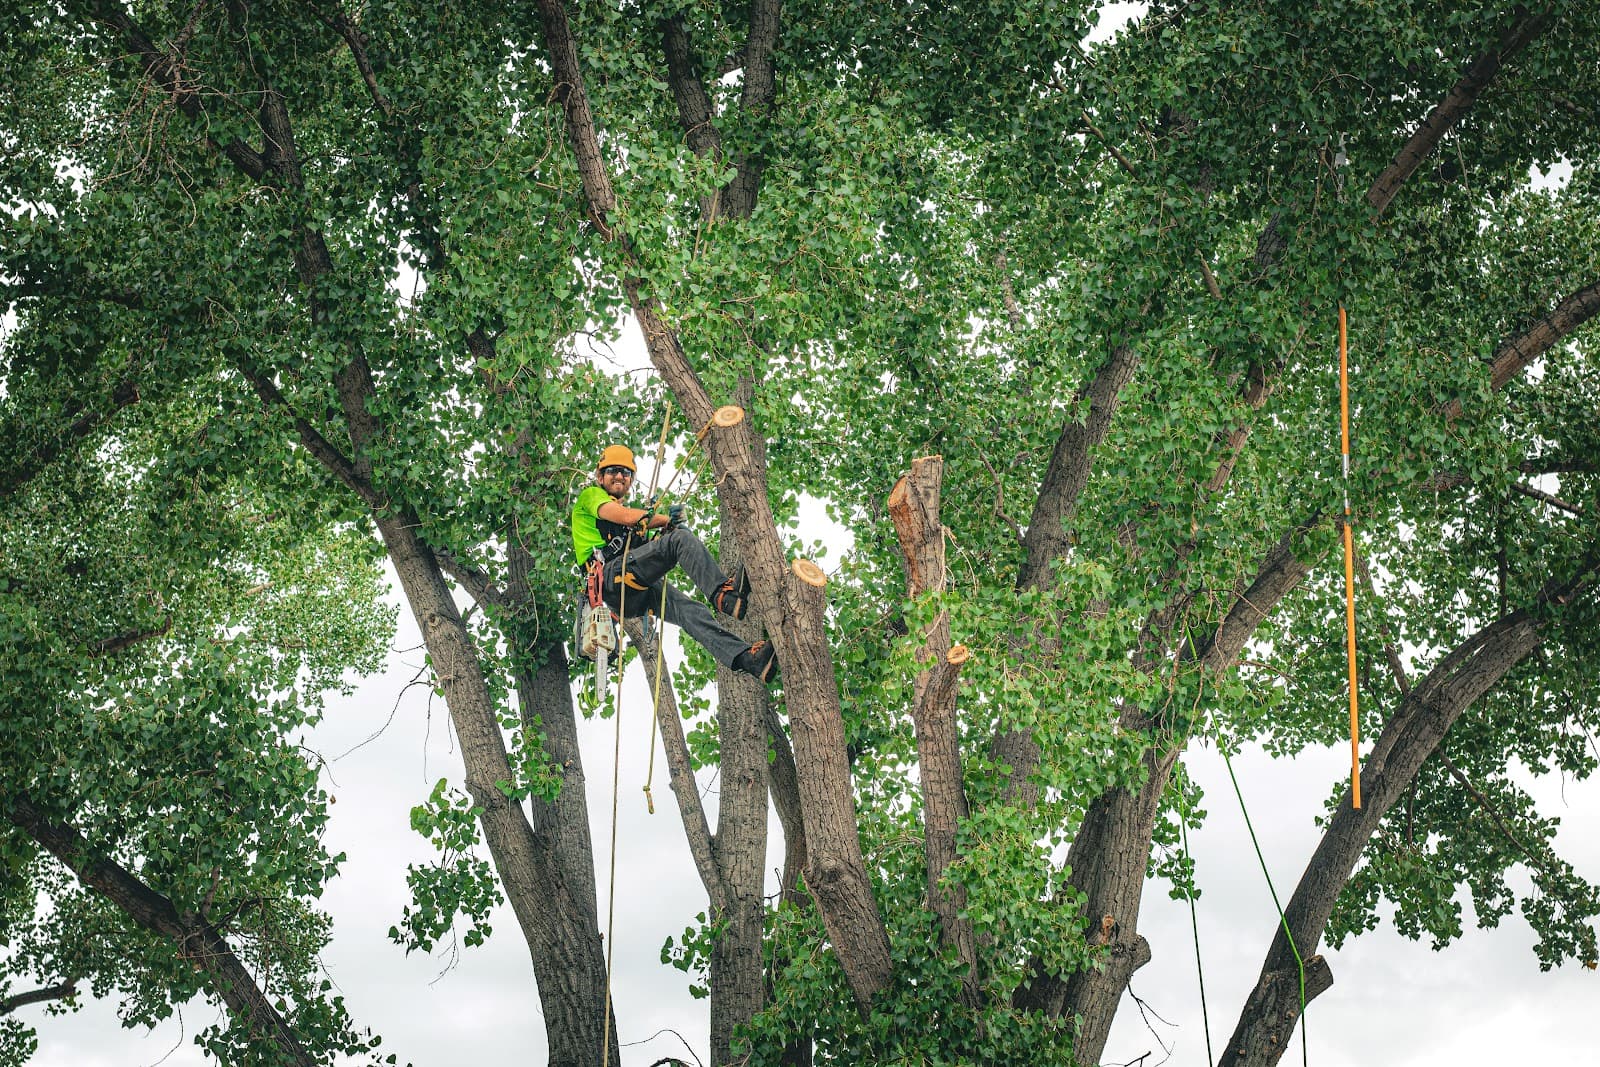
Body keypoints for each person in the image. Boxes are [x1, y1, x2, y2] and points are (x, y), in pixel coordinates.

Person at [571, 445, 777, 683]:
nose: (619, 476)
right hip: (610, 579)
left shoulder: (629, 524)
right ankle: (725, 595)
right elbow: (626, 516)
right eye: (613, 471)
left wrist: (664, 533)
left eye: (626, 473)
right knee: (680, 540)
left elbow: (646, 553)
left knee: (689, 610)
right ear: (600, 476)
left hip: (632, 591)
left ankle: (747, 660)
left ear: (630, 480)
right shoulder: (592, 497)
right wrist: (665, 522)